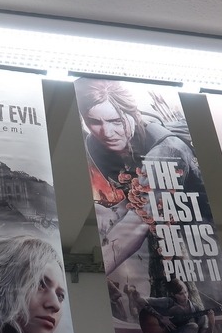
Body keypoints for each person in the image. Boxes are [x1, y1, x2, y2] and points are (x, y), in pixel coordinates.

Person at [77, 79, 209, 275]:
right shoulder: (96, 145)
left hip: (202, 241)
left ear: (134, 115)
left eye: (116, 121)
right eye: (94, 122)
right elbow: (134, 198)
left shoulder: (167, 151)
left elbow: (136, 225)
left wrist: (88, 275)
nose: (106, 133)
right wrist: (111, 212)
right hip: (160, 239)